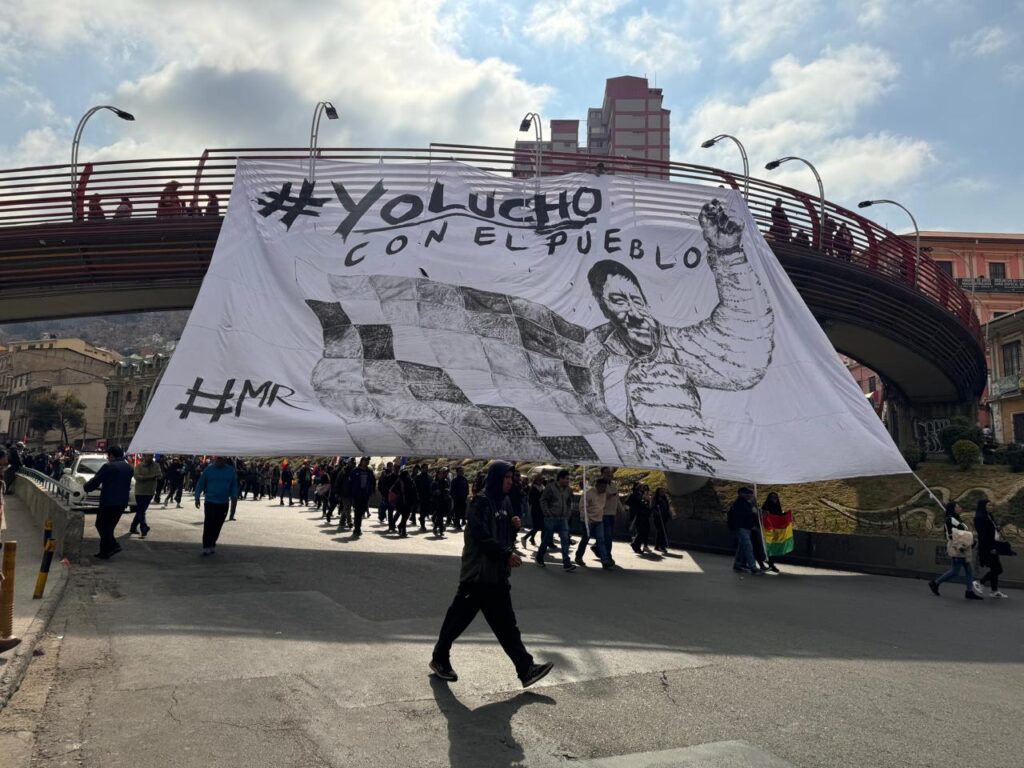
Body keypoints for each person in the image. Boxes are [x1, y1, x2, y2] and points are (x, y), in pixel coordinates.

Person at [430, 461, 553, 688]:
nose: (509, 482)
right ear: (496, 478)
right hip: (477, 575)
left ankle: (525, 669)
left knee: (507, 626)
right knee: (457, 620)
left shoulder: (504, 502)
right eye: (506, 478)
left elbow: (504, 537)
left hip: (496, 576)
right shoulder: (481, 502)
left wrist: (513, 528)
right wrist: (506, 554)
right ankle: (439, 658)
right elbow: (480, 536)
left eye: (511, 478)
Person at [83, 445, 134, 559]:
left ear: (111, 455)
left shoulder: (108, 466)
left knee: (101, 525)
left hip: (108, 501)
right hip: (122, 502)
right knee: (109, 527)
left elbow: (96, 480)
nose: (107, 458)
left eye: (108, 456)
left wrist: (86, 487)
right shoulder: (129, 468)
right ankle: (104, 552)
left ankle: (114, 545)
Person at [929, 502, 983, 600]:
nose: (960, 508)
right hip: (957, 547)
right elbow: (951, 535)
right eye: (958, 507)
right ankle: (935, 583)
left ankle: (969, 591)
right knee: (955, 571)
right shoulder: (950, 519)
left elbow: (962, 533)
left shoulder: (957, 519)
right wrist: (959, 546)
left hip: (963, 546)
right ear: (952, 509)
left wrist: (970, 541)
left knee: (968, 570)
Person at [194, 456, 239, 556]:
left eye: (222, 459)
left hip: (223, 502)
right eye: (218, 459)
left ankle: (212, 543)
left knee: (218, 525)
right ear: (215, 459)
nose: (220, 461)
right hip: (210, 501)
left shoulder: (230, 471)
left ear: (225, 460)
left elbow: (233, 486)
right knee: (209, 524)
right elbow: (200, 483)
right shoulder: (208, 470)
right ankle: (206, 545)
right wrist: (197, 497)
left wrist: (234, 497)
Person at [535, 470, 576, 572]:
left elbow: (569, 502)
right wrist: (547, 513)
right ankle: (539, 557)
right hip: (551, 518)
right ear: (560, 478)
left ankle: (566, 562)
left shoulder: (568, 489)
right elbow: (543, 500)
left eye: (568, 479)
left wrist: (568, 513)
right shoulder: (550, 487)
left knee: (565, 539)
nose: (568, 481)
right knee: (547, 539)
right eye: (566, 479)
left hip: (563, 519)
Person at [975, 498, 1010, 598]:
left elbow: (990, 531)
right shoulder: (980, 517)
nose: (991, 507)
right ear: (983, 506)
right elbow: (983, 535)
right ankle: (980, 582)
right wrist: (991, 548)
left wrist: (997, 528)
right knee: (998, 569)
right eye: (989, 505)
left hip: (993, 545)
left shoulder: (989, 516)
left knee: (995, 568)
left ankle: (994, 591)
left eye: (992, 505)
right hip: (988, 547)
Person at [727, 487, 760, 575]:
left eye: (750, 493)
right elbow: (742, 518)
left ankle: (737, 565)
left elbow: (748, 516)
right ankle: (753, 567)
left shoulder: (745, 503)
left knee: (742, 547)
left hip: (746, 528)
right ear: (741, 493)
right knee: (748, 547)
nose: (750, 495)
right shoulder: (739, 504)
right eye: (747, 493)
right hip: (742, 528)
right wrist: (751, 525)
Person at [129, 453, 162, 538]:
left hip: (150, 491)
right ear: (144, 456)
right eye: (148, 455)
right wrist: (152, 476)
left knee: (141, 510)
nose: (150, 457)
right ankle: (143, 527)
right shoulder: (139, 466)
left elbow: (159, 475)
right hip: (140, 491)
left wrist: (150, 477)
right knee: (141, 510)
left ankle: (133, 527)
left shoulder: (156, 465)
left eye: (151, 455)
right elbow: (137, 477)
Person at [348, 456, 376, 538]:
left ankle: (357, 526)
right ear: (361, 461)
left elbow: (373, 481)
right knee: (357, 511)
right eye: (365, 460)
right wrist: (352, 492)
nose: (367, 462)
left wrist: (372, 491)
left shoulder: (369, 471)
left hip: (365, 494)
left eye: (368, 461)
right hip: (357, 495)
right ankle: (357, 528)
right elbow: (350, 482)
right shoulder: (355, 471)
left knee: (362, 511)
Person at [755, 492, 783, 573]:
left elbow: (779, 516)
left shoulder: (777, 506)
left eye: (775, 497)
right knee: (765, 548)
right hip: (767, 531)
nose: (774, 499)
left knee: (773, 548)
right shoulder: (766, 506)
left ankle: (771, 564)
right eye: (772, 497)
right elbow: (762, 516)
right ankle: (768, 564)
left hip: (775, 531)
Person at [627, 483, 653, 554]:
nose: (644, 489)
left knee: (644, 531)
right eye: (642, 487)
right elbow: (628, 502)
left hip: (644, 515)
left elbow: (646, 505)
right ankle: (636, 546)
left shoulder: (642, 495)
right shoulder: (635, 495)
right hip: (638, 515)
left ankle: (636, 545)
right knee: (640, 531)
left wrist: (645, 501)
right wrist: (638, 505)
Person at [523, 473, 546, 548]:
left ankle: (532, 539)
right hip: (536, 510)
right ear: (536, 480)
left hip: (542, 510)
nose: (541, 480)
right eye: (540, 479)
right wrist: (540, 499)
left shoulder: (542, 487)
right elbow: (531, 500)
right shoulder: (533, 488)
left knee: (542, 527)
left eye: (542, 479)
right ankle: (525, 538)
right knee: (537, 527)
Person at [393, 469, 417, 537]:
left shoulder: (410, 481)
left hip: (408, 501)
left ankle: (400, 526)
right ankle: (403, 530)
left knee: (405, 516)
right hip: (402, 501)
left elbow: (414, 490)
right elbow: (394, 489)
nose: (409, 475)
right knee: (404, 516)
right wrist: (401, 493)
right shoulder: (400, 481)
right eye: (407, 474)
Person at [431, 467, 452, 537]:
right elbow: (431, 491)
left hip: (444, 501)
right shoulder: (435, 482)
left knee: (441, 516)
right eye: (439, 474)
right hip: (437, 501)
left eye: (442, 474)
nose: (441, 475)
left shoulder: (445, 481)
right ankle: (441, 530)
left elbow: (448, 489)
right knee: (440, 516)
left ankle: (436, 527)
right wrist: (435, 492)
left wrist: (447, 491)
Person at [651, 487, 672, 554]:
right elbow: (652, 507)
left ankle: (657, 546)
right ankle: (662, 546)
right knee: (661, 531)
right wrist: (656, 513)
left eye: (663, 491)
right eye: (661, 491)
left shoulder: (665, 498)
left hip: (664, 517)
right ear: (658, 492)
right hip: (658, 517)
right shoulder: (655, 498)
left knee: (660, 532)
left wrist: (669, 513)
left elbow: (667, 507)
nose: (663, 493)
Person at [450, 466, 469, 532]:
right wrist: (455, 497)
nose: (462, 472)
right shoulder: (454, 480)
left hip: (463, 498)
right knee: (457, 512)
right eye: (460, 471)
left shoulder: (464, 479)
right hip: (457, 499)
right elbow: (452, 490)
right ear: (457, 472)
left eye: (462, 471)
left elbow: (467, 488)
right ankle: (457, 524)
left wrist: (466, 494)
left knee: (463, 511)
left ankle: (462, 521)